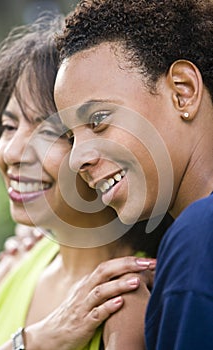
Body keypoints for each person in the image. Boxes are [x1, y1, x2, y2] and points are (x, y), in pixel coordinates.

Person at [0, 12, 173, 350]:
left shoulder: (122, 299)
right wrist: (34, 341)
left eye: (51, 132)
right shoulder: (11, 272)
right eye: (9, 126)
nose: (12, 152)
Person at [53, 0, 213, 348]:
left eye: (98, 120)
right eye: (70, 137)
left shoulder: (200, 236)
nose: (76, 159)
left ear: (183, 92)